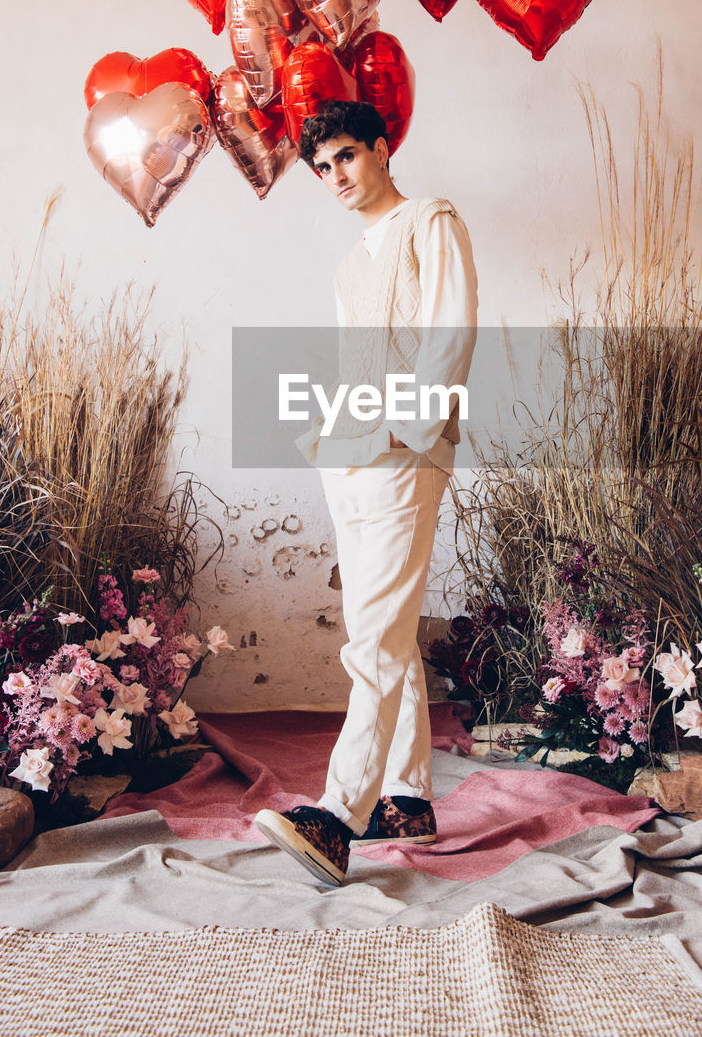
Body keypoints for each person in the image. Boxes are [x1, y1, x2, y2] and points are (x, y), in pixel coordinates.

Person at [255, 100, 478, 886]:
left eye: (346, 156)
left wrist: (402, 433)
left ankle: (337, 816)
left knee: (374, 637)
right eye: (321, 167)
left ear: (383, 150)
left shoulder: (429, 221)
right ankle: (405, 799)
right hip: (351, 453)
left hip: (400, 454)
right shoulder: (351, 264)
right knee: (383, 626)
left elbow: (450, 335)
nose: (335, 176)